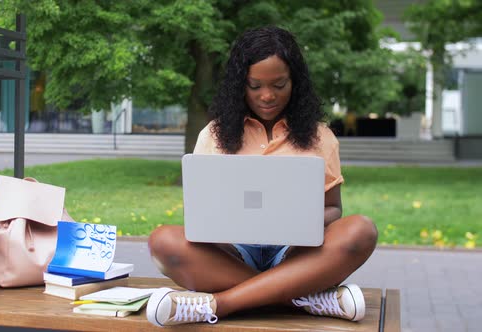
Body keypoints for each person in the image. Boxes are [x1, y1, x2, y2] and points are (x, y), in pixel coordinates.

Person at [145, 26, 378, 327]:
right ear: (240, 84)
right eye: (255, 86)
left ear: (295, 82)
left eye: (279, 84)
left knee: (361, 231)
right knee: (163, 241)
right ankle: (301, 298)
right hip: (232, 254)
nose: (267, 96)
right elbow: (201, 213)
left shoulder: (321, 137)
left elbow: (334, 209)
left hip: (297, 253)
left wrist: (298, 219)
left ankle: (220, 304)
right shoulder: (213, 135)